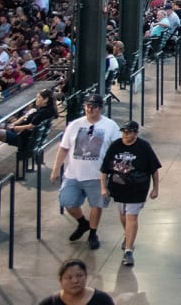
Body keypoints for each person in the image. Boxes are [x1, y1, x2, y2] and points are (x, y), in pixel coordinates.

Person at [52, 94, 120, 250]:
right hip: (73, 174)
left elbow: (117, 149)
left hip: (97, 176)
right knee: (67, 201)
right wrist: (56, 169)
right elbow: (63, 149)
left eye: (94, 107)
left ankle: (93, 233)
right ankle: (83, 223)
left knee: (97, 205)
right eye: (87, 106)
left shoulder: (110, 126)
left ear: (100, 108)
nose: (90, 109)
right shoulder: (74, 125)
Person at [99, 120, 162, 266]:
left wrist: (155, 188)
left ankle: (128, 250)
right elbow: (104, 169)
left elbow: (154, 169)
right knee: (123, 215)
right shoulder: (115, 146)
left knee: (131, 216)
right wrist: (103, 187)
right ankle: (128, 236)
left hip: (137, 189)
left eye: (128, 132)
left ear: (135, 133)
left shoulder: (144, 147)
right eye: (124, 132)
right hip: (119, 188)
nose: (125, 135)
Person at [40, 258, 115, 305]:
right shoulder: (49, 303)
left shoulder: (102, 300)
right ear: (60, 280)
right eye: (69, 277)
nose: (75, 281)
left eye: (79, 276)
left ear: (86, 277)